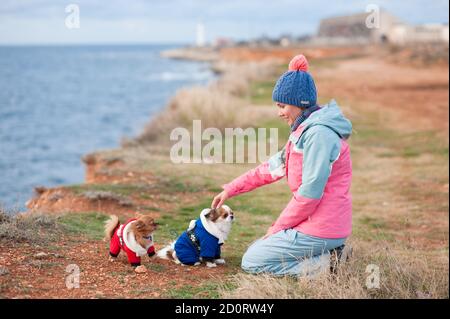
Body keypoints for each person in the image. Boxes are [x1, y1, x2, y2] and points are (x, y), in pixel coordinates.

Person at [211, 54, 353, 276]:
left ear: (299, 104)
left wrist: (278, 227)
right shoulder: (303, 131)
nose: (279, 112)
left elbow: (309, 195)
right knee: (258, 250)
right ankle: (331, 256)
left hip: (322, 228)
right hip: (315, 225)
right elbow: (271, 168)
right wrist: (231, 188)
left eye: (282, 105)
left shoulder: (318, 135)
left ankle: (329, 266)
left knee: (252, 261)